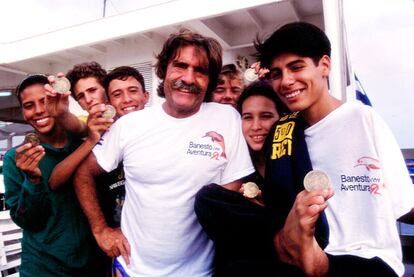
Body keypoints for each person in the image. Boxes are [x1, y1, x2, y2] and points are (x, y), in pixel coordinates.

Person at [74, 29, 254, 276]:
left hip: (201, 271)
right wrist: (100, 229)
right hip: (133, 270)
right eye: (180, 66)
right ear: (164, 71)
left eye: (200, 70)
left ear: (209, 79)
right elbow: (83, 172)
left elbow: (227, 195)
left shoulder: (228, 119)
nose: (189, 78)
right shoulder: (130, 124)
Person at [255, 22, 414, 276]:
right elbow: (278, 204)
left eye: (296, 67)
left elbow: (404, 202)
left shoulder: (362, 119)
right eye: (276, 73)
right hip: (305, 250)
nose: (286, 81)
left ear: (324, 66)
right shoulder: (281, 132)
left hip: (369, 258)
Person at [49, 64, 149, 268]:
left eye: (93, 90)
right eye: (81, 96)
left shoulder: (138, 119)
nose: (88, 99)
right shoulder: (90, 124)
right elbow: (76, 126)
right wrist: (60, 114)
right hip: (111, 233)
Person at [3, 74, 103, 276]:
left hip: (93, 265)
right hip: (43, 269)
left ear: (57, 100)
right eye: (29, 105)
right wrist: (33, 181)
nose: (39, 110)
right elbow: (26, 220)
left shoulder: (84, 143)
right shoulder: (17, 158)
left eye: (45, 101)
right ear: (23, 112)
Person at [195, 81, 294, 276]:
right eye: (247, 117)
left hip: (287, 260)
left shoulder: (291, 160)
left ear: (282, 118)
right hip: (243, 260)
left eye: (266, 116)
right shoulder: (236, 163)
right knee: (207, 198)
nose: (256, 126)